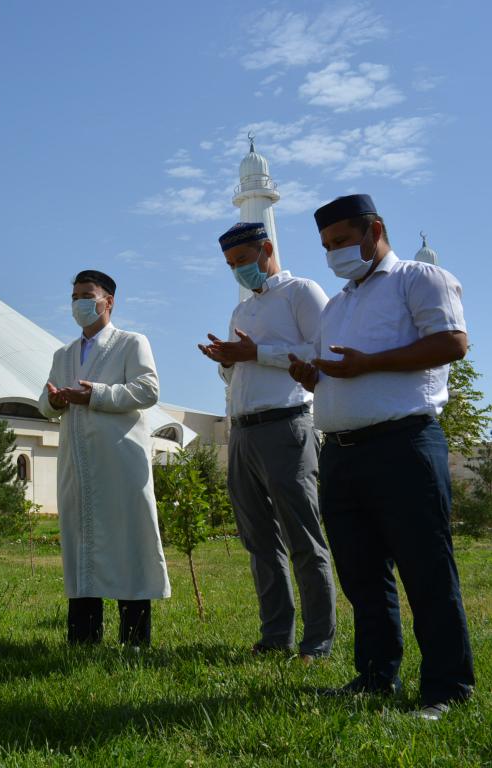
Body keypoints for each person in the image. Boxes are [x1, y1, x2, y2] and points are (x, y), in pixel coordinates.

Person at [288, 194, 475, 721]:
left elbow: (453, 343)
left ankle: (446, 687)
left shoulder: (419, 279)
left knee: (426, 569)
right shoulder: (339, 302)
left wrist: (370, 364)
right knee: (362, 573)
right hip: (342, 453)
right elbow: (337, 370)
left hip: (403, 444)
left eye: (343, 242)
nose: (334, 254)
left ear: (375, 231)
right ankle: (376, 676)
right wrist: (312, 376)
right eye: (327, 246)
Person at [198, 222, 337, 662]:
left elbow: (323, 352)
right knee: (259, 540)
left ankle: (318, 640)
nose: (238, 271)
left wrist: (255, 353)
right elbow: (241, 370)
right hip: (243, 428)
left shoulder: (302, 292)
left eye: (242, 261)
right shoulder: (242, 312)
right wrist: (227, 360)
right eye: (230, 265)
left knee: (302, 536)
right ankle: (277, 633)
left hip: (288, 424)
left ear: (267, 249)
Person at [39, 269, 171, 647]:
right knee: (82, 545)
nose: (80, 303)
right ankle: (84, 638)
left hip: (120, 465)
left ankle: (134, 638)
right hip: (78, 466)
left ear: (108, 301)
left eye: (87, 295)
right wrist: (54, 400)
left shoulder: (131, 343)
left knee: (128, 543)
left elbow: (148, 390)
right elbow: (44, 404)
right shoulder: (63, 354)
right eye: (75, 296)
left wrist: (95, 394)